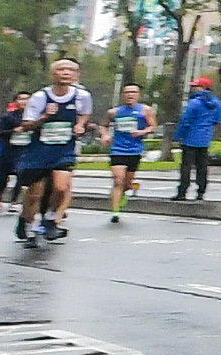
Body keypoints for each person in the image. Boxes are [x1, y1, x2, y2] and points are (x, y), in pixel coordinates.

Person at [11, 59, 94, 246]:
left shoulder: (82, 96)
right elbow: (26, 125)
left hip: (63, 151)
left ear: (76, 75)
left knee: (61, 187)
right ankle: (27, 223)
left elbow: (84, 113)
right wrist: (44, 116)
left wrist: (80, 125)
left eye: (71, 70)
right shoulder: (40, 97)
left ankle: (49, 219)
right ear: (52, 74)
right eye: (61, 69)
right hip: (39, 153)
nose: (66, 73)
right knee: (34, 194)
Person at [103, 85, 155, 223]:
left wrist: (141, 132)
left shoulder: (145, 110)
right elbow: (104, 125)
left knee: (127, 183)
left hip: (134, 150)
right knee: (117, 179)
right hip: (117, 149)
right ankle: (115, 212)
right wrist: (105, 135)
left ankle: (123, 193)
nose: (130, 95)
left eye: (133, 92)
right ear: (123, 94)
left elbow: (152, 126)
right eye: (127, 92)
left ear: (138, 94)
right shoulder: (114, 112)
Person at [173, 70, 221, 204]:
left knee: (186, 166)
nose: (193, 88)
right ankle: (201, 192)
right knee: (202, 167)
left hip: (190, 138)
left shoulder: (193, 103)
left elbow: (185, 121)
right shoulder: (217, 104)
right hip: (204, 139)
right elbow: (216, 120)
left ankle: (182, 192)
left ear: (202, 88)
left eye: (195, 86)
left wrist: (177, 136)